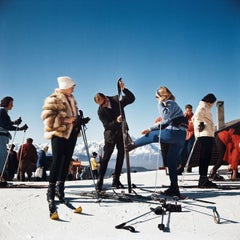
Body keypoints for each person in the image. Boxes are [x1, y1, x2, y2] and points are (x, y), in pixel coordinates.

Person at [41, 76, 90, 215]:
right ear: (65, 85)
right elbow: (48, 118)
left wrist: (79, 121)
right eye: (72, 85)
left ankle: (60, 189)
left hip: (72, 134)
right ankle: (50, 191)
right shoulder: (54, 98)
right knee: (57, 160)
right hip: (59, 133)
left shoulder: (72, 99)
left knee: (66, 160)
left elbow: (73, 118)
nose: (74, 87)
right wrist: (68, 119)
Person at [127, 86, 188, 197]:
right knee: (171, 161)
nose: (156, 99)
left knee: (151, 136)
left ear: (162, 96)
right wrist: (150, 128)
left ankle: (131, 145)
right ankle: (174, 188)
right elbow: (165, 122)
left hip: (173, 133)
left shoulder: (170, 103)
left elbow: (164, 115)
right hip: (180, 137)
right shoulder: (174, 106)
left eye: (157, 97)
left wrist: (160, 103)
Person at [94, 80, 135, 191]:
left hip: (122, 133)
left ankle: (116, 179)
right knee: (106, 157)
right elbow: (107, 125)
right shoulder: (100, 111)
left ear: (106, 98)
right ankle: (100, 180)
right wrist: (116, 121)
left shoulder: (117, 99)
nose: (103, 105)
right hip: (110, 136)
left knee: (121, 155)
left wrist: (124, 90)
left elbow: (132, 99)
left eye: (104, 103)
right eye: (101, 105)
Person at [0, 96, 28, 185]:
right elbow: (5, 125)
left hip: (2, 137)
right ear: (6, 103)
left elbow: (5, 123)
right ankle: (0, 178)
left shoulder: (3, 112)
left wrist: (15, 123)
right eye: (11, 104)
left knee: (2, 157)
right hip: (1, 137)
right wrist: (19, 127)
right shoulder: (2, 112)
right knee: (2, 158)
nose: (12, 106)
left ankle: (1, 177)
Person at [193, 93, 218, 188]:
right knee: (205, 156)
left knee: (206, 156)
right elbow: (196, 116)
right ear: (209, 101)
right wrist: (201, 124)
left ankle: (203, 178)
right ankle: (203, 179)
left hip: (207, 134)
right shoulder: (203, 106)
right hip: (204, 134)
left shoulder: (205, 107)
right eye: (213, 103)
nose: (212, 105)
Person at [177, 104, 195, 174]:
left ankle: (189, 165)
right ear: (185, 110)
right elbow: (180, 125)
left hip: (191, 135)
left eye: (190, 110)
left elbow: (193, 127)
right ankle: (181, 166)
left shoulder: (194, 117)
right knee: (181, 151)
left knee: (189, 150)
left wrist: (187, 127)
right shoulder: (183, 117)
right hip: (184, 135)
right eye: (187, 111)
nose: (189, 112)